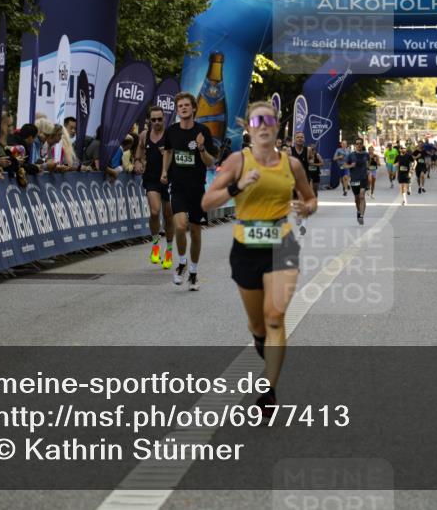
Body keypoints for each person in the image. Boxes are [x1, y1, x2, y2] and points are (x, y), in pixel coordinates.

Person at [201, 101, 317, 417]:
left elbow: (310, 198)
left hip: (281, 243)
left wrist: (306, 207)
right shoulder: (237, 161)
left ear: (277, 126)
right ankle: (260, 341)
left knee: (276, 315)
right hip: (245, 246)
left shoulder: (291, 165)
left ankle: (268, 390)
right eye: (257, 121)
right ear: (249, 128)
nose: (263, 125)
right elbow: (208, 201)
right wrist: (238, 186)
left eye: (269, 120)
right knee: (258, 326)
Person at [161, 92, 218, 289]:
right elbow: (168, 151)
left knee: (195, 231)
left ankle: (193, 272)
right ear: (177, 110)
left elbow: (211, 162)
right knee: (180, 225)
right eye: (180, 106)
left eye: (186, 105)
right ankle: (182, 263)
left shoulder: (203, 131)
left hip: (197, 188)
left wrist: (202, 149)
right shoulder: (172, 131)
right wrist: (164, 171)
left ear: (194, 108)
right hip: (177, 186)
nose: (183, 108)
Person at [135, 106, 175, 269]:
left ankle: (169, 250)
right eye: (153, 120)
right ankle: (156, 244)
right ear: (149, 120)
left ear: (164, 118)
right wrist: (137, 162)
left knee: (168, 216)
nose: (157, 122)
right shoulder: (144, 135)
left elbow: (179, 154)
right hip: (151, 178)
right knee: (154, 211)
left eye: (159, 119)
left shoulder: (171, 135)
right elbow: (139, 152)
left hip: (169, 179)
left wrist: (166, 153)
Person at [344, 138, 369, 225]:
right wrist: (351, 165)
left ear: (362, 145)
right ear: (355, 145)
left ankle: (361, 216)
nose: (358, 145)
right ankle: (358, 211)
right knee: (357, 198)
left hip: (363, 178)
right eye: (357, 144)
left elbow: (368, 165)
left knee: (362, 196)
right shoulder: (351, 155)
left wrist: (368, 172)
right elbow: (344, 165)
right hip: (354, 179)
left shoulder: (366, 154)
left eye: (360, 143)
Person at [289, 132, 311, 235]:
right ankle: (298, 215)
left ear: (304, 139)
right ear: (294, 139)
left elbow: (310, 161)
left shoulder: (308, 150)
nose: (300, 139)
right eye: (297, 137)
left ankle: (304, 225)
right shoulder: (290, 150)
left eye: (302, 137)